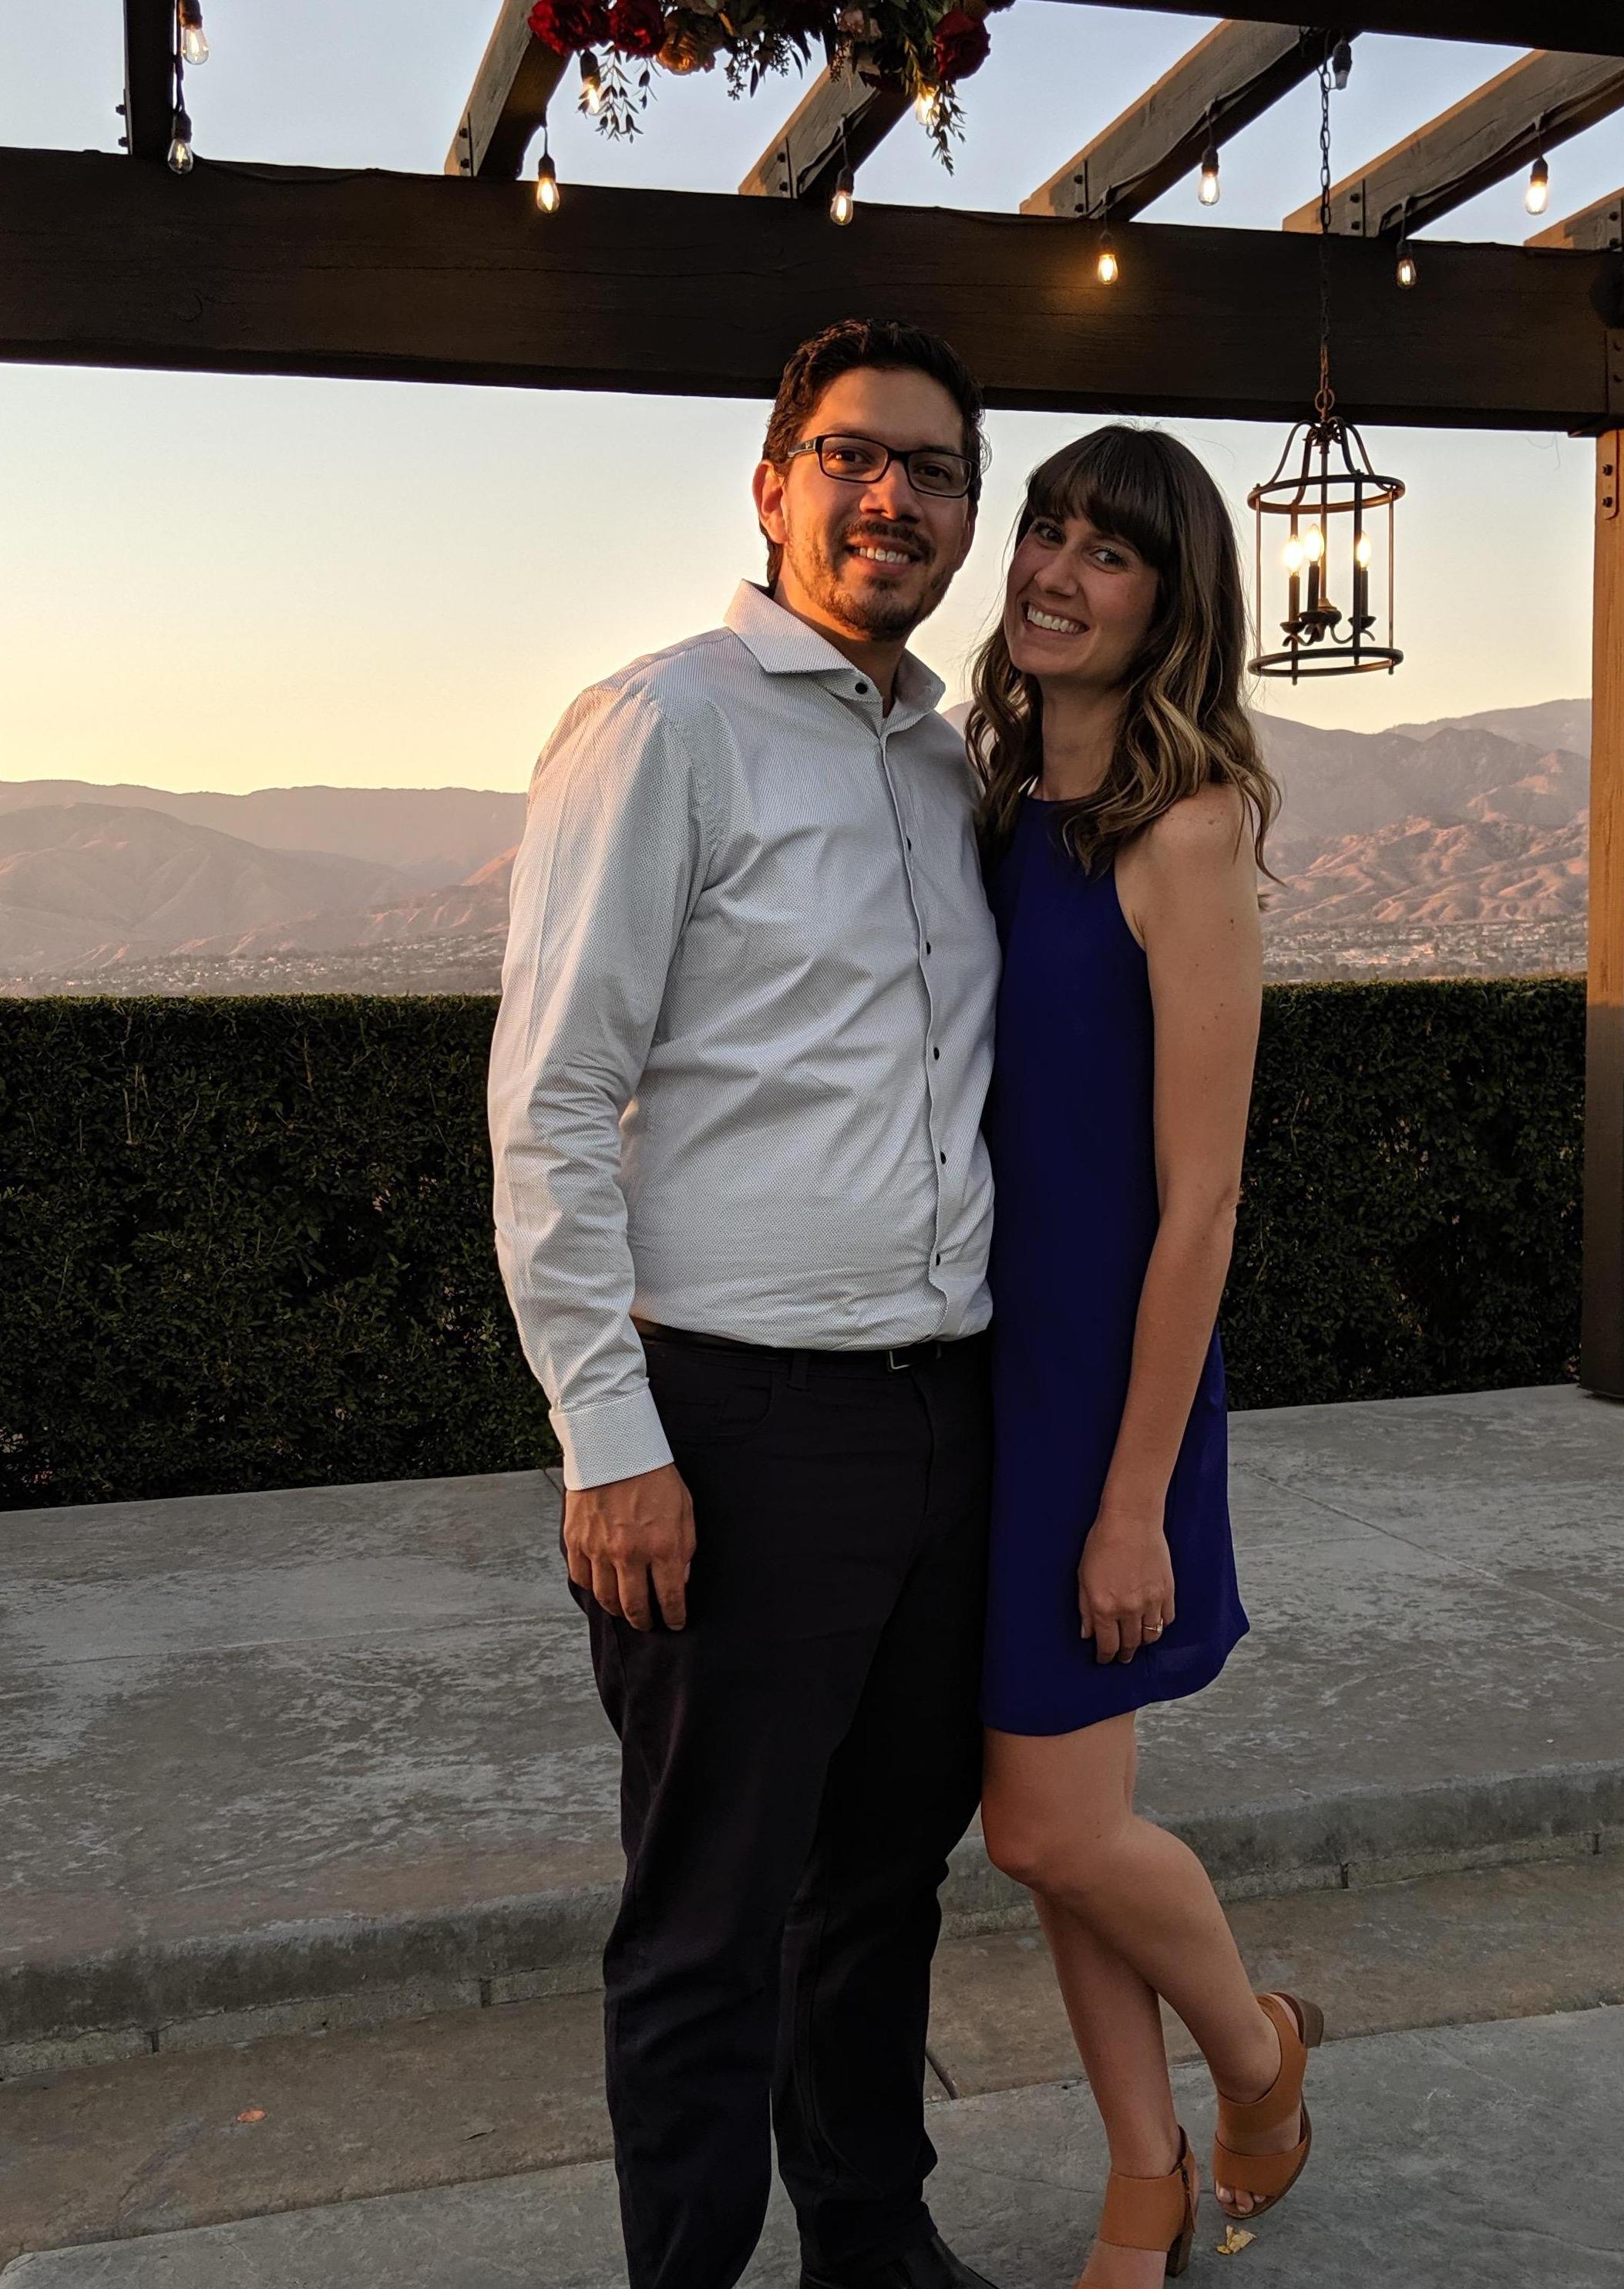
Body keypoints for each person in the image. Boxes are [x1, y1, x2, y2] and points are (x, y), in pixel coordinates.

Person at [488, 318, 1007, 2289]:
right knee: (710, 1915)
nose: (895, 497)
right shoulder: (664, 726)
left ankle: (873, 2247)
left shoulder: (949, 761)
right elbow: (550, 1102)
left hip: (942, 1415)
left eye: (936, 470)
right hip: (734, 1425)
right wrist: (608, 1440)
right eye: (855, 456)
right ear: (775, 482)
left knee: (882, 1885)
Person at [969, 426, 1321, 2287]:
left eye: (1109, 552)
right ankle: (1143, 2169)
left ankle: (1257, 2057)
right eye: (1047, 529)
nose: (1056, 569)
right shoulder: (990, 804)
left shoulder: (1184, 835)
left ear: (1173, 607)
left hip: (1105, 1405)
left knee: (1045, 1825)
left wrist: (1132, 1501)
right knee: (1055, 1825)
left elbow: (1203, 1204)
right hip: (973, 1381)